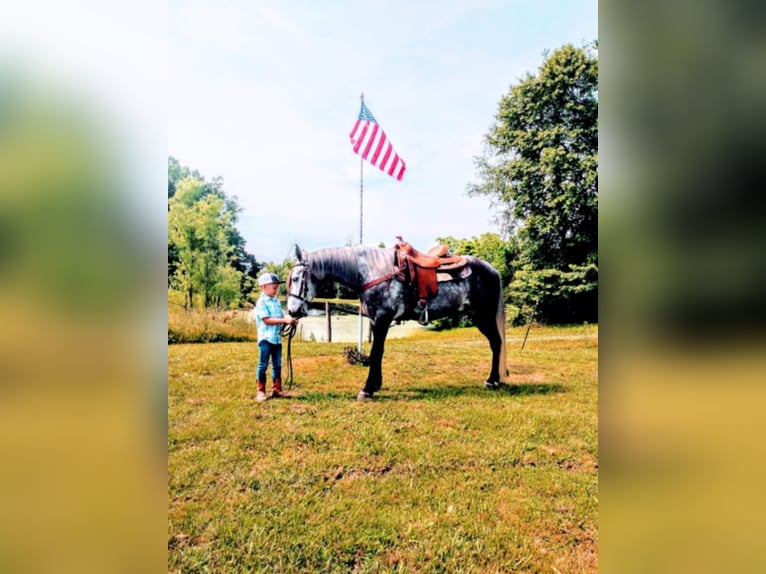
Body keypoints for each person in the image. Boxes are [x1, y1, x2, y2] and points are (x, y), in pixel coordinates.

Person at [254, 272, 298, 402]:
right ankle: (261, 391)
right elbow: (266, 320)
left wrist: (290, 319)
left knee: (277, 364)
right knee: (263, 364)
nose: (276, 290)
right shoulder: (261, 302)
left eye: (277, 288)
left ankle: (277, 389)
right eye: (273, 287)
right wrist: (284, 321)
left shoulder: (276, 302)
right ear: (263, 287)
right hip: (265, 339)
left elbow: (281, 316)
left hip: (277, 339)